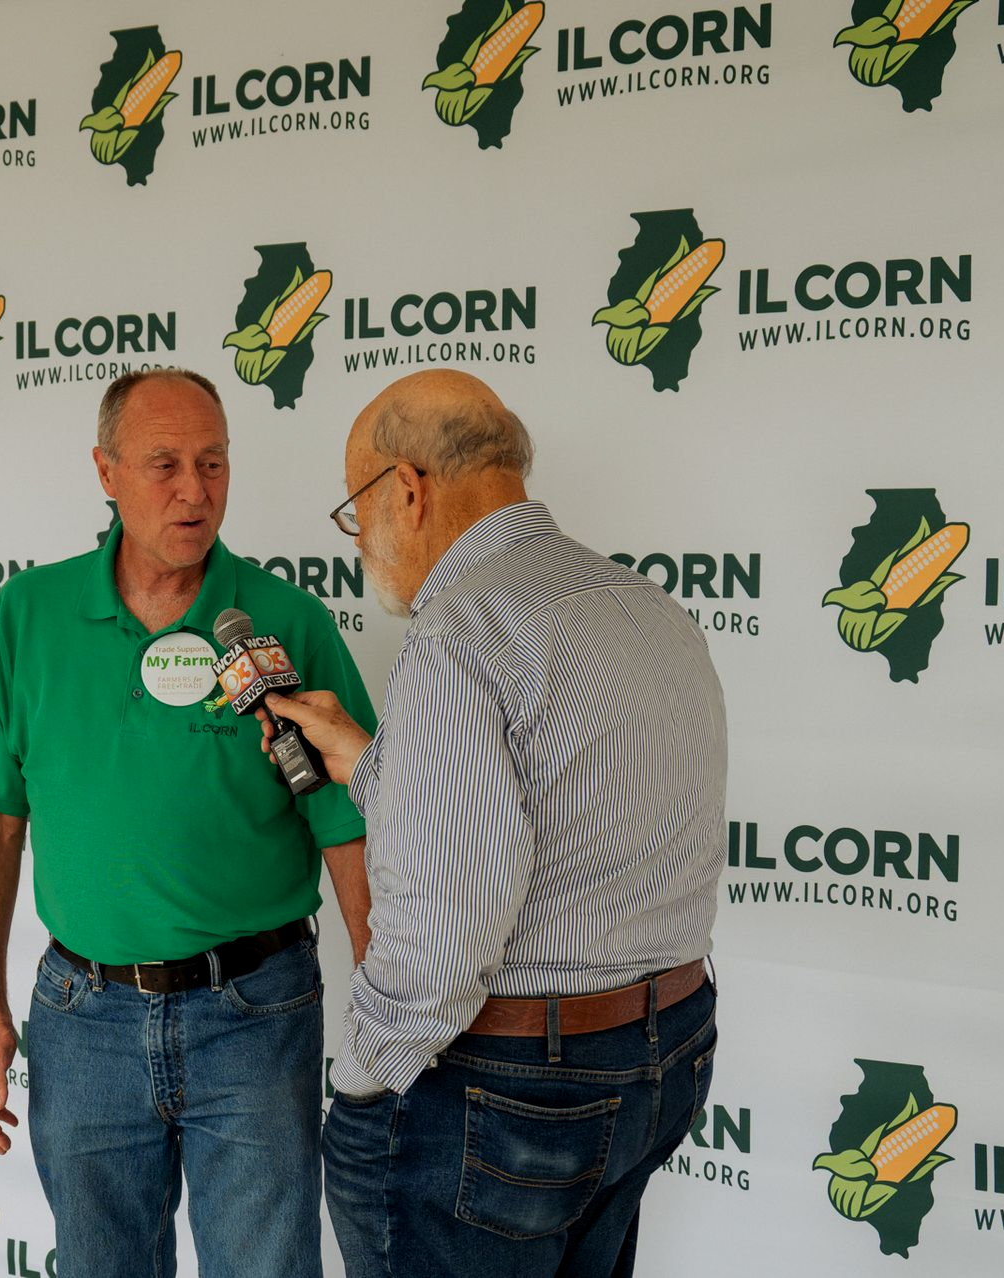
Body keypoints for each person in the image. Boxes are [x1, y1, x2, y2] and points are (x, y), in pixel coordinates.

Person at [265, 369, 728, 1278]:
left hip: (509, 1094)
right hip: (662, 1053)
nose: (362, 542)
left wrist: (365, 1081)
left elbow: (443, 926)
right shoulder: (646, 606)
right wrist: (366, 756)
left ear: (407, 488)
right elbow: (553, 806)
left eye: (357, 513)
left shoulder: (458, 635)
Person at [0, 368, 375, 1278]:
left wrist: (384, 999)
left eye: (213, 464)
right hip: (82, 1021)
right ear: (105, 471)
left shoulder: (286, 623)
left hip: (256, 1016)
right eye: (165, 463)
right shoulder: (30, 615)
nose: (194, 489)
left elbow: (350, 823)